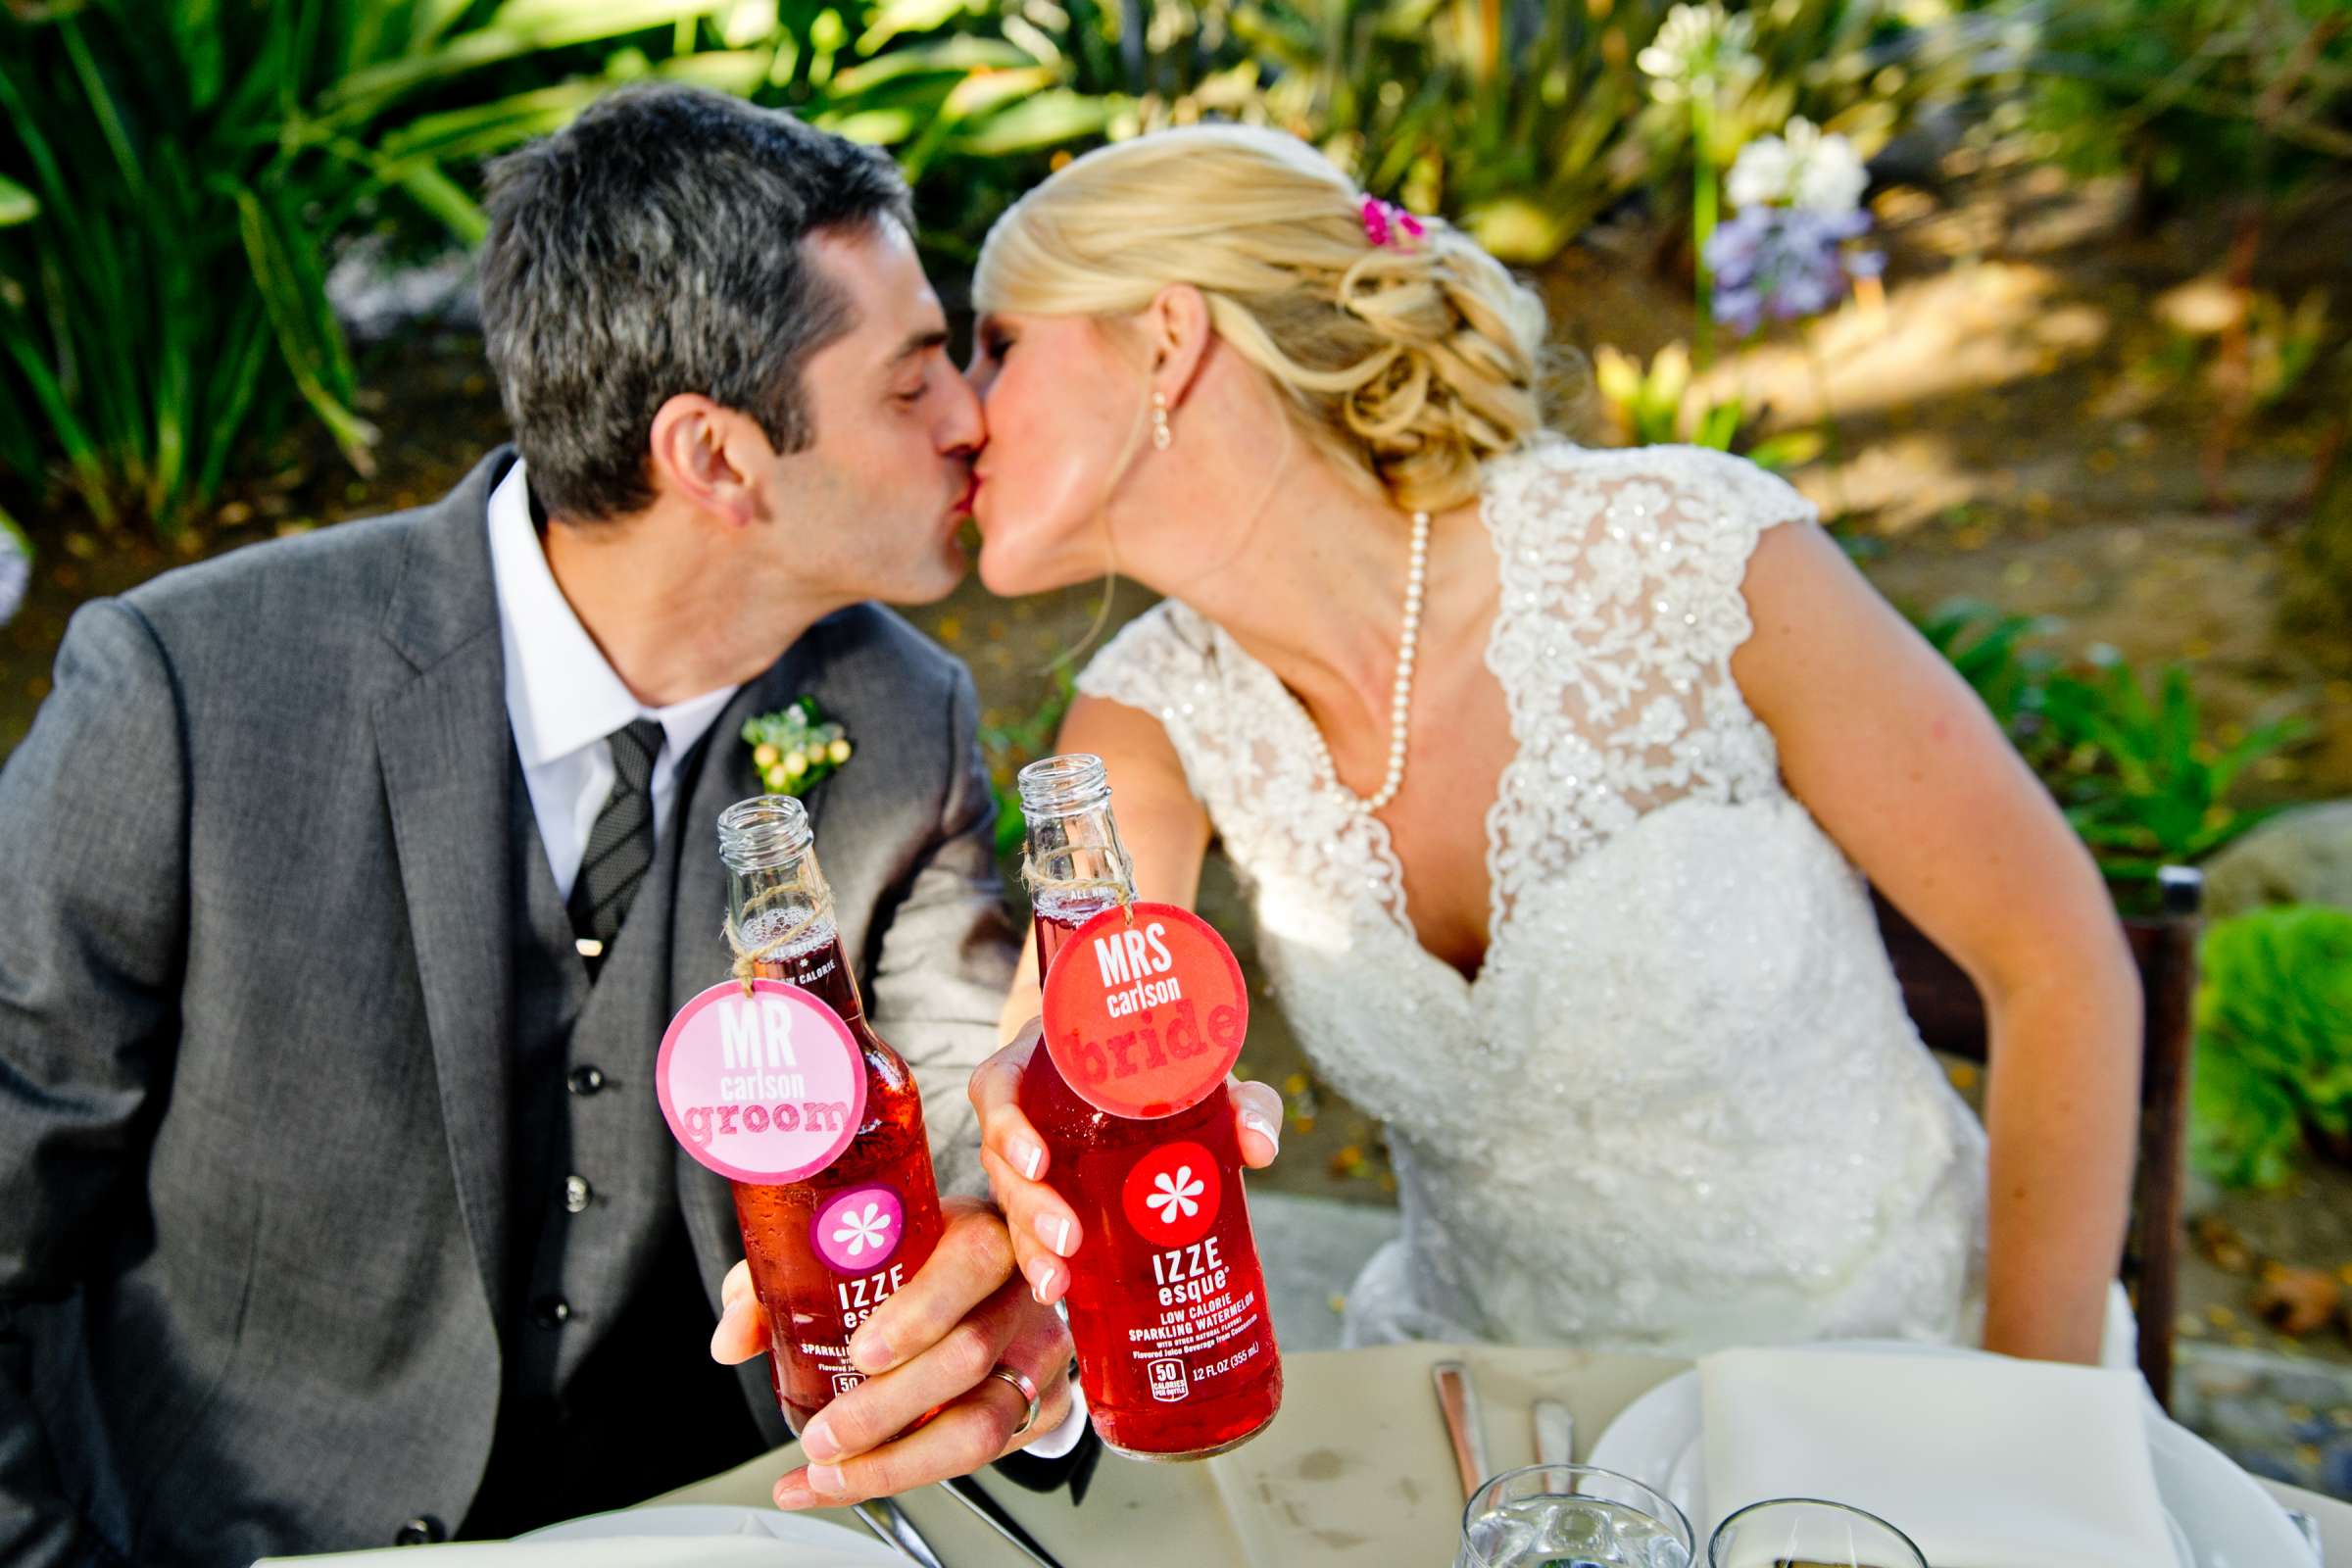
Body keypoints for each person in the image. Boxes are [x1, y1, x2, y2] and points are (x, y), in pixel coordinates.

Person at [0, 84, 1080, 1566]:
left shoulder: (905, 711)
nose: (972, 418)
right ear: (713, 458)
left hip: (712, 1530)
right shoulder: (190, 692)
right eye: (909, 385)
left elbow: (964, 1110)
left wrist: (1026, 1222)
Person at [961, 124, 2144, 1368]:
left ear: (1167, 335)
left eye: (997, 346)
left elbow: (2058, 964)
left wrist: (2038, 1425)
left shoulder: (1693, 557)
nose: (963, 413)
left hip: (1897, 1382)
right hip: (1496, 1456)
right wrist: (1021, 1132)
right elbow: (1060, 1069)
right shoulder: (1142, 721)